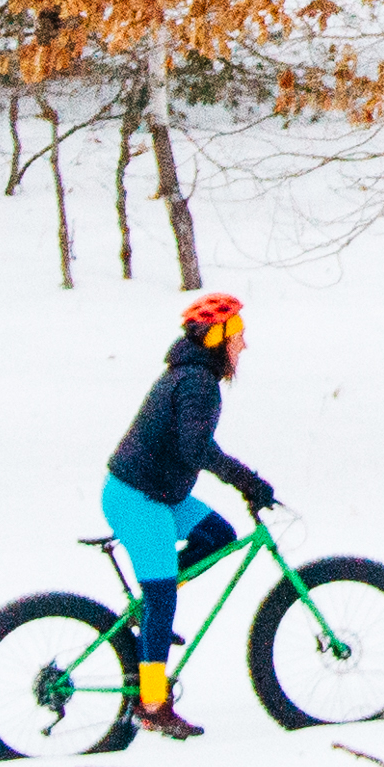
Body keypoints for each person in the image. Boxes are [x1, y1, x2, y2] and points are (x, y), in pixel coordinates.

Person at [106, 290, 281, 740]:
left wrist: (246, 479)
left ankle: (146, 612)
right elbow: (194, 449)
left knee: (219, 536)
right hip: (140, 499)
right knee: (164, 598)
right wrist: (247, 481)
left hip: (159, 493)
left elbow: (196, 443)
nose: (243, 344)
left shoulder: (191, 377)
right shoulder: (196, 382)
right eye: (237, 333)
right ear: (217, 337)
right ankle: (152, 704)